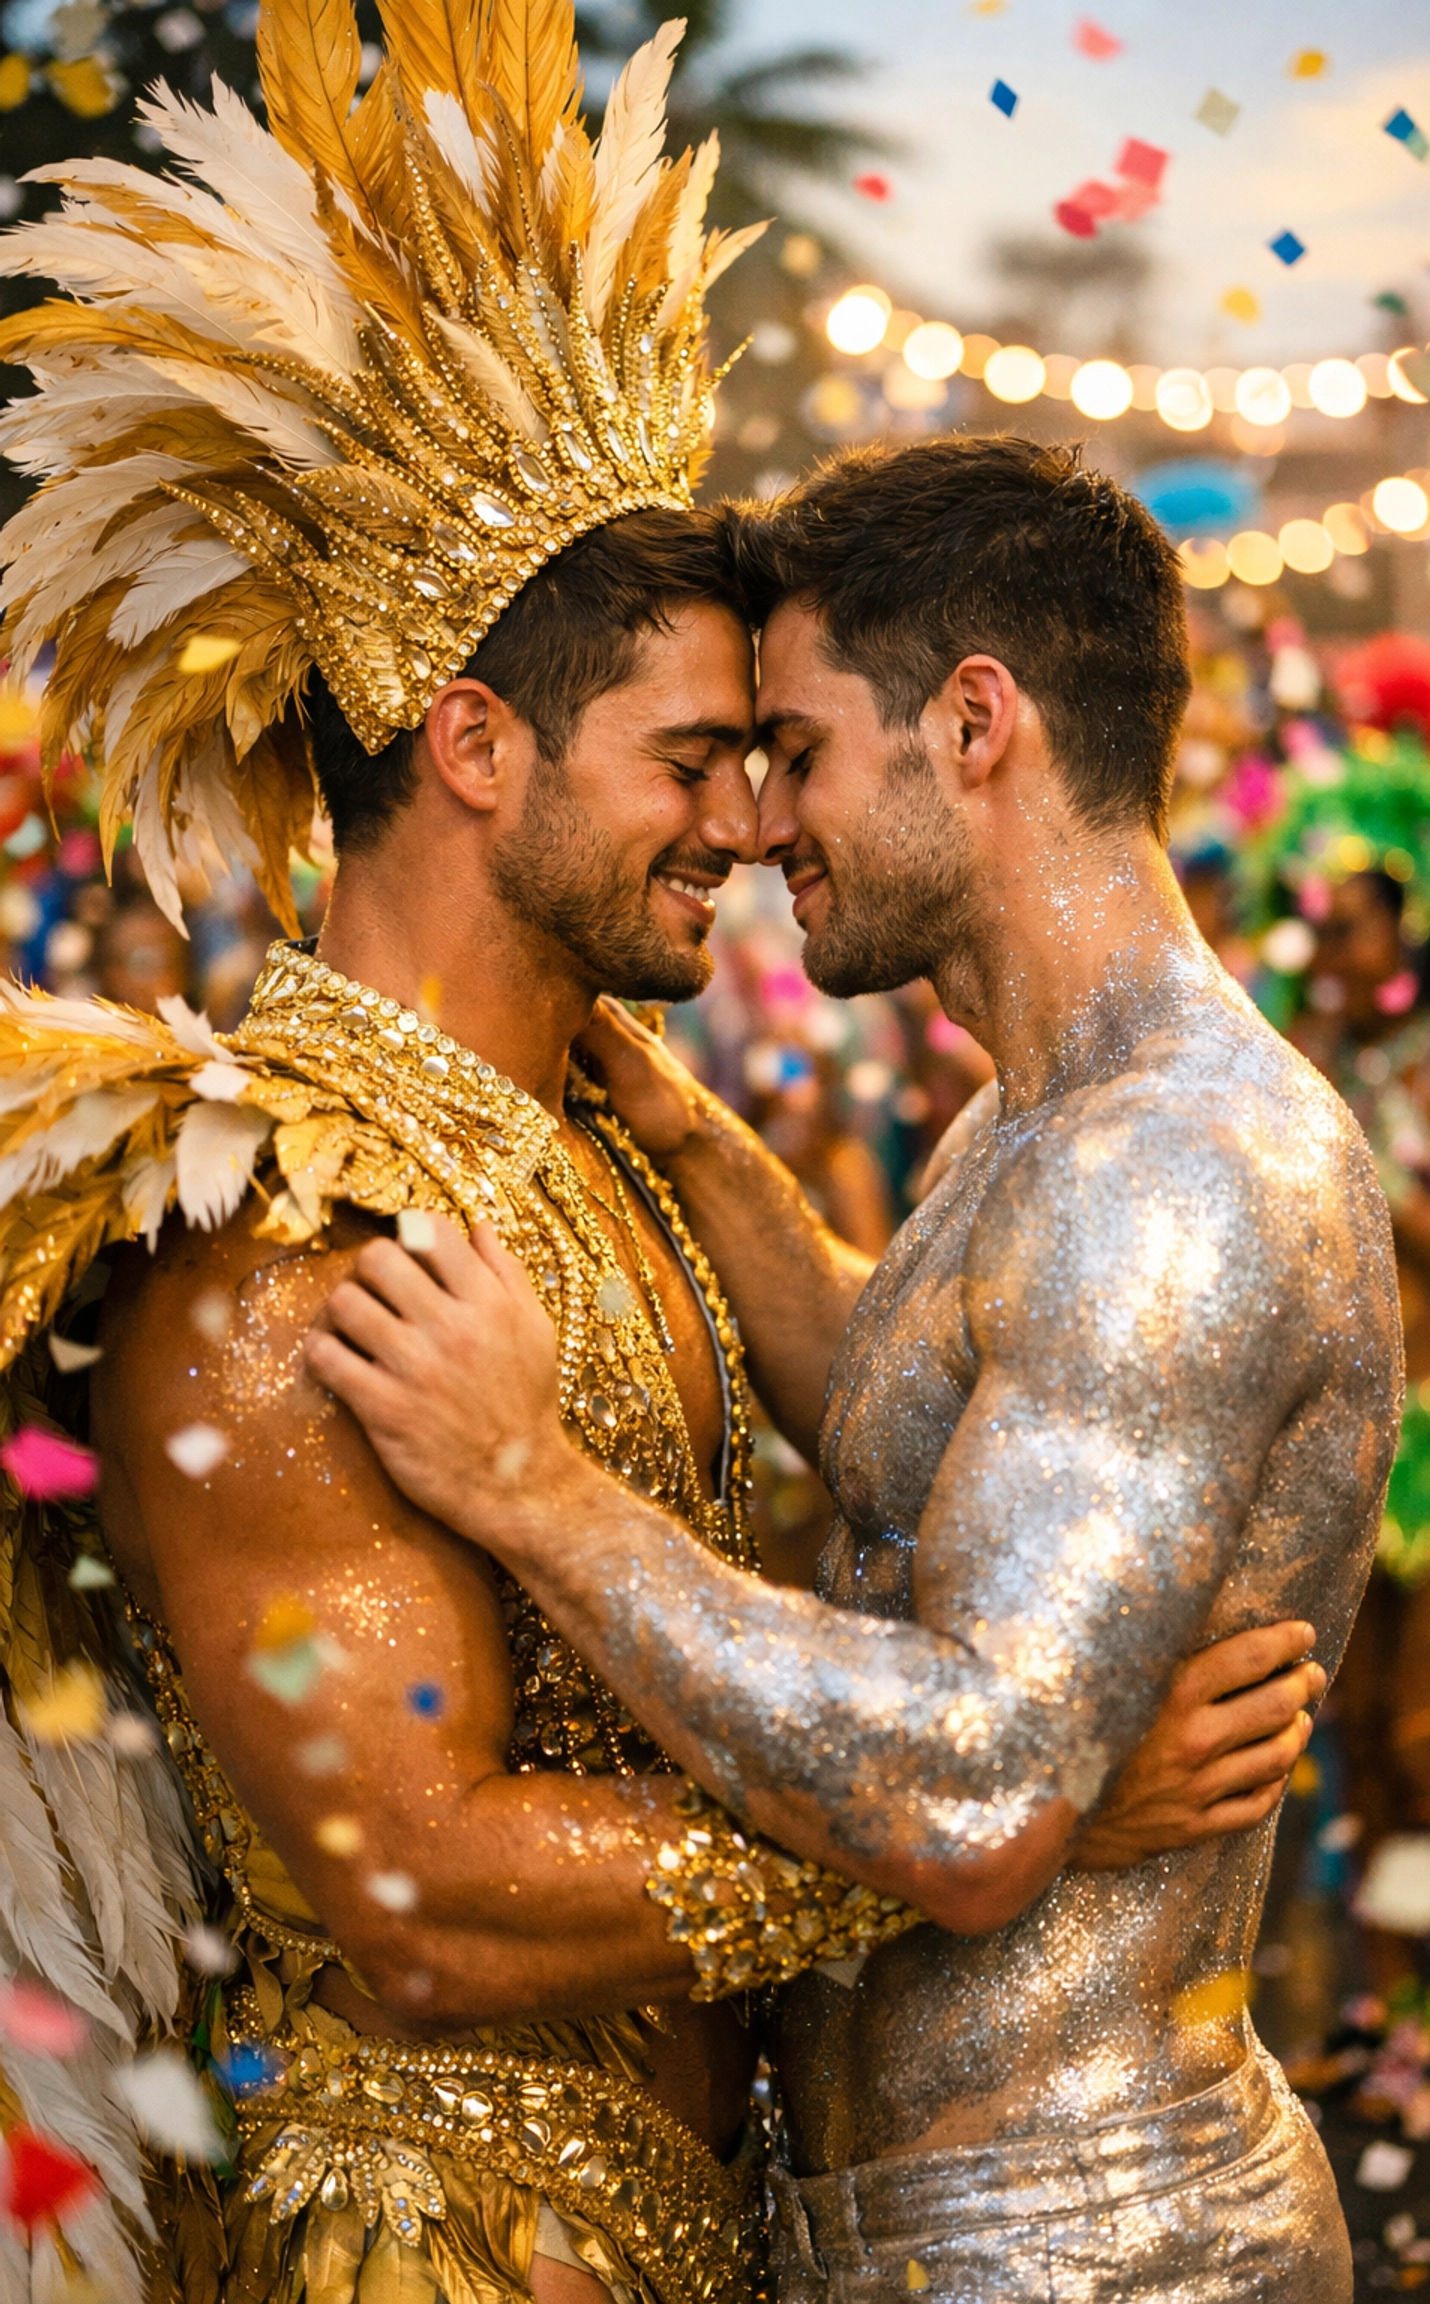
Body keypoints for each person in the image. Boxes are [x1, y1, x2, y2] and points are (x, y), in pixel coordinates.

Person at [0, 27, 1322, 2304]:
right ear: (481, 747)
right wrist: (995, 1829)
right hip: (436, 2262)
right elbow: (411, 1891)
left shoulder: (606, 1146)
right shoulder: (280, 1239)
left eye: (769, 755)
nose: (749, 824)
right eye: (699, 757)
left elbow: (881, 1404)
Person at [305, 437, 1402, 2302]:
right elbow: (916, 1424)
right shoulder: (1034, 1125)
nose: (756, 821)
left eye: (796, 749)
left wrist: (529, 1488)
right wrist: (697, 1149)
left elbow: (978, 1806)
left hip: (1090, 2252)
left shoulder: (1175, 1168)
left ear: (973, 724)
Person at [1262, 727, 1430, 2116]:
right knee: (1354, 1736)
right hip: (1369, 1438)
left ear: (1411, 916)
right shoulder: (1327, 1041)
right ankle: (1388, 2017)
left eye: (1352, 919)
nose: (1331, 943)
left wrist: (1365, 1150)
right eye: (1313, 917)